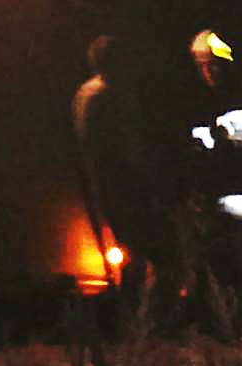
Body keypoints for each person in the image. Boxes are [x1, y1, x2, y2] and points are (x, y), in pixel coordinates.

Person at [73, 35, 187, 333]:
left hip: (111, 190)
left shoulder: (88, 94)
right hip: (126, 190)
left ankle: (133, 323)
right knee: (163, 256)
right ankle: (146, 323)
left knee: (138, 256)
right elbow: (126, 149)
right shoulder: (107, 97)